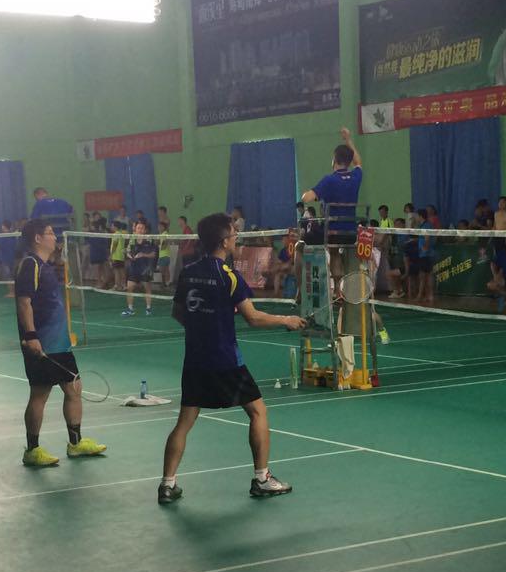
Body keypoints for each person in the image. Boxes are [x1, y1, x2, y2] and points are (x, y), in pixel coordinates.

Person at [159, 213, 307, 505]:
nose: (236, 238)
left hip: (195, 360)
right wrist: (286, 320)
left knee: (184, 422)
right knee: (258, 412)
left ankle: (167, 485)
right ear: (224, 241)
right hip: (226, 360)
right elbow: (253, 318)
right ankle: (262, 479)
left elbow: (178, 313)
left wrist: (202, 328)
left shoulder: (188, 272)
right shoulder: (228, 276)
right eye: (234, 235)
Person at [14, 219, 107, 467]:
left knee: (74, 388)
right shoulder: (30, 264)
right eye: (50, 233)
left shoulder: (45, 265)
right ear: (37, 238)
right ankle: (32, 450)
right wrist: (31, 336)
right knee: (40, 394)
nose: (55, 237)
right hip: (42, 342)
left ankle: (76, 443)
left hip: (60, 343)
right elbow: (24, 303)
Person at [301, 127, 363, 292]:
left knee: (302, 243)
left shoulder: (329, 180)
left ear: (334, 159)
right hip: (351, 233)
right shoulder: (356, 177)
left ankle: (305, 290)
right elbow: (358, 162)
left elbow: (307, 198)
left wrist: (306, 194)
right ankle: (343, 291)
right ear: (349, 161)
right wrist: (348, 139)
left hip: (332, 233)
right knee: (336, 250)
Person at [123, 220, 158, 316]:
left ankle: (148, 309)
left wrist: (143, 254)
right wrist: (129, 256)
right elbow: (127, 251)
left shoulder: (149, 240)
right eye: (138, 228)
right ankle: (130, 309)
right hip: (134, 268)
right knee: (129, 288)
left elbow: (153, 254)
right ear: (135, 229)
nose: (140, 230)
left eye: (142, 228)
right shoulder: (132, 239)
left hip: (145, 269)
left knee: (147, 289)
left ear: (145, 230)